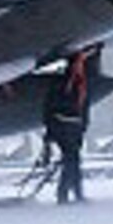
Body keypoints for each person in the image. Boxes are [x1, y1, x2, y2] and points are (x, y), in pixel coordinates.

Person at [41, 47, 93, 204]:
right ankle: (67, 194)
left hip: (72, 127)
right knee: (72, 160)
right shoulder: (66, 83)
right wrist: (50, 132)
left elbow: (83, 109)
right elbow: (50, 107)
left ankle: (72, 193)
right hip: (63, 126)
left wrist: (82, 128)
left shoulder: (80, 84)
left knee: (73, 160)